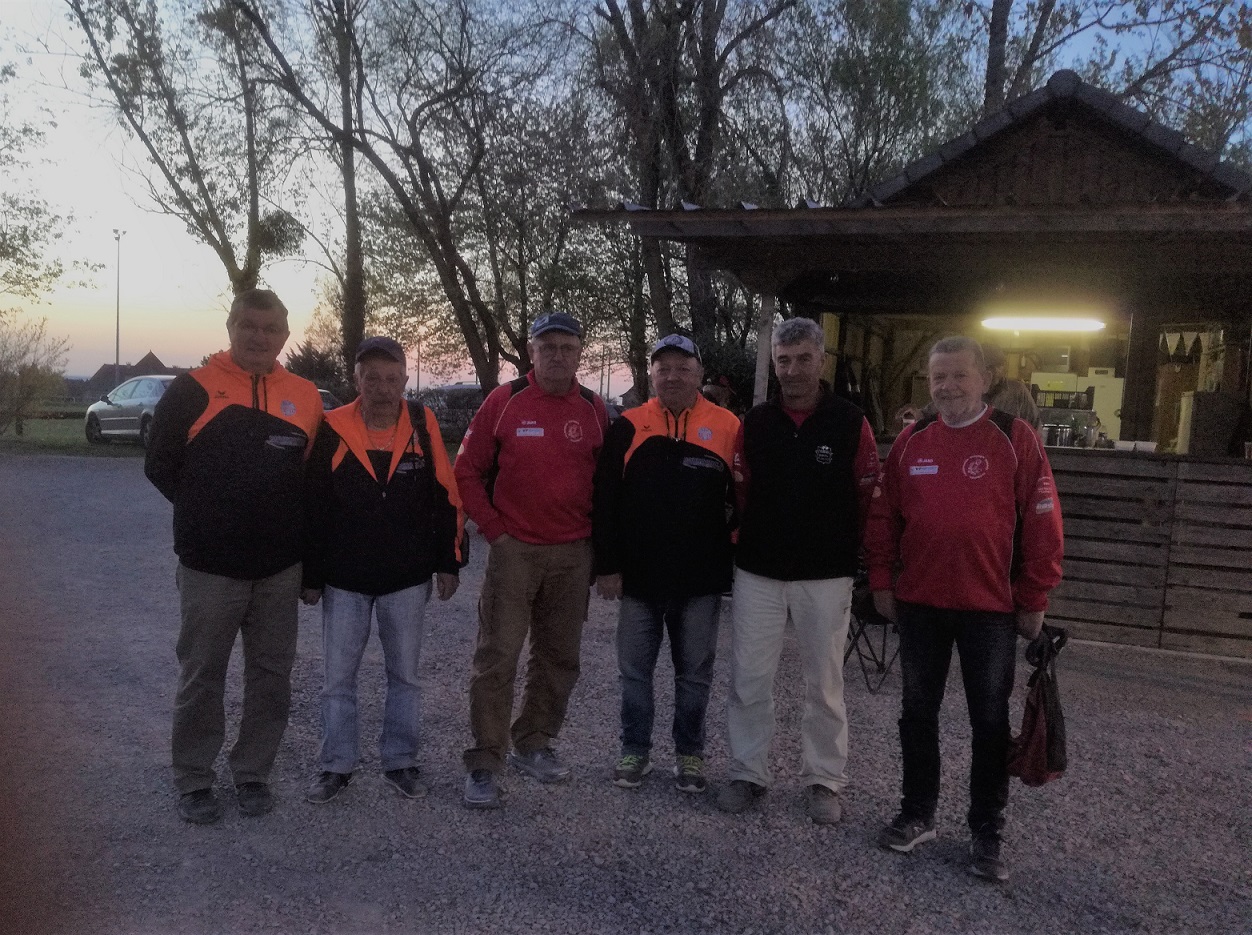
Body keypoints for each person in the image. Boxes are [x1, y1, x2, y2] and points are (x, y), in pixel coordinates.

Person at [865, 335, 1063, 882]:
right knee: (917, 713)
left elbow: (1044, 521)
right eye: (938, 378)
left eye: (959, 376)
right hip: (921, 605)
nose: (947, 386)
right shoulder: (911, 441)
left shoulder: (1013, 438)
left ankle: (986, 831)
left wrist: (1034, 597)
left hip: (990, 610)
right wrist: (882, 582)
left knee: (989, 722)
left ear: (983, 380)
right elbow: (884, 519)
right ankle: (917, 814)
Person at [145, 289, 323, 825]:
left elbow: (310, 482)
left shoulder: (306, 395)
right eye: (248, 325)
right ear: (230, 326)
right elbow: (159, 465)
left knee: (271, 675)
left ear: (284, 336)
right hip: (210, 564)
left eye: (269, 328)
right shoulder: (192, 389)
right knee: (202, 673)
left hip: (278, 567)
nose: (258, 336)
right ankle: (195, 779)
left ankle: (253, 773)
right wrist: (208, 513)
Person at [715, 317, 880, 824]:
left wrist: (859, 560)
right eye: (783, 360)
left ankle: (824, 780)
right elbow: (742, 492)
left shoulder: (851, 421)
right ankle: (747, 771)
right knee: (749, 677)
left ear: (821, 360)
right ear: (773, 362)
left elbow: (868, 495)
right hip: (759, 572)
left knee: (825, 684)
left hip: (825, 575)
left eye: (803, 358)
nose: (793, 369)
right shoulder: (756, 422)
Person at [454, 312, 609, 808]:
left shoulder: (593, 408)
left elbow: (607, 485)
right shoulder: (505, 401)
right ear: (532, 351)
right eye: (549, 347)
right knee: (497, 655)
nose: (558, 355)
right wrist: (494, 531)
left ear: (580, 352)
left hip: (573, 550)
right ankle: (484, 762)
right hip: (514, 548)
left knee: (559, 656)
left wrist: (600, 549)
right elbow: (466, 471)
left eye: (568, 346)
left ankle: (534, 742)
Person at [301, 336, 464, 805]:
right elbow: (312, 505)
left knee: (406, 677)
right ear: (356, 380)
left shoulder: (421, 421)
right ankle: (335, 767)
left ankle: (401, 762)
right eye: (371, 377)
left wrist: (448, 562)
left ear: (405, 380)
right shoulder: (331, 426)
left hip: (406, 580)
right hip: (344, 579)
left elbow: (444, 495)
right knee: (337, 680)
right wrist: (312, 576)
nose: (382, 387)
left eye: (392, 378)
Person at [592, 334, 739, 794]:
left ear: (699, 374)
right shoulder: (628, 425)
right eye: (663, 368)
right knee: (634, 672)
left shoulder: (730, 426)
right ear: (651, 376)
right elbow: (605, 501)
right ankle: (634, 750)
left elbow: (745, 500)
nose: (672, 376)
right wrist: (608, 565)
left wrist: (731, 556)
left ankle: (689, 755)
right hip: (637, 578)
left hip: (699, 580)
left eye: (682, 367)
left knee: (694, 674)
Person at [982, 343, 1041, 429]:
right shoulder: (971, 390)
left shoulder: (1017, 391)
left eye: (999, 366)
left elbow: (1035, 424)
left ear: (1004, 366)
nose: (995, 371)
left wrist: (1035, 442)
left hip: (1012, 441)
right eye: (989, 367)